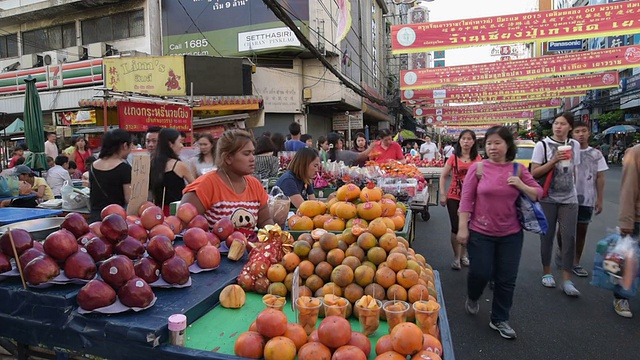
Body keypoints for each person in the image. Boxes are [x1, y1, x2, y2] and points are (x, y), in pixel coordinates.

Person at [458, 126, 542, 340]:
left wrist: (521, 184)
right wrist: (462, 227)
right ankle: (473, 296)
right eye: (489, 143)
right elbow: (466, 200)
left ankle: (499, 319)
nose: (492, 147)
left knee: (506, 279)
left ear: (507, 145)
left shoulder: (518, 169)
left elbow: (537, 193)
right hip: (480, 231)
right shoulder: (478, 168)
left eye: (497, 143)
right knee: (480, 272)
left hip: (511, 234)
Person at [181, 129, 274, 236]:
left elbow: (265, 221)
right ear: (228, 158)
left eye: (253, 153)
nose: (253, 158)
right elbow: (185, 226)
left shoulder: (255, 185)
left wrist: (273, 234)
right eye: (246, 154)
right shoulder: (205, 186)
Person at [531, 112, 582, 297]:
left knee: (569, 237)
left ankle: (567, 279)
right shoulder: (542, 145)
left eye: (562, 124)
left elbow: (573, 170)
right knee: (547, 235)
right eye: (556, 123)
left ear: (569, 127)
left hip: (570, 198)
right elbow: (534, 172)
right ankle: (547, 272)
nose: (558, 127)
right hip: (548, 198)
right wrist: (553, 160)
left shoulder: (574, 144)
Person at [556, 121, 608, 277]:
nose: (581, 134)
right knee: (563, 231)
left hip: (587, 199)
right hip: (566, 198)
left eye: (584, 131)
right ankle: (562, 252)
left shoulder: (596, 154)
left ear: (589, 133)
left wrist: (600, 199)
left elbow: (600, 177)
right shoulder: (566, 151)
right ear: (572, 134)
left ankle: (575, 262)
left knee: (581, 230)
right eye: (577, 131)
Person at [439, 130, 482, 270]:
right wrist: (443, 194)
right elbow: (443, 175)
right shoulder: (453, 158)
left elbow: (482, 178)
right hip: (454, 196)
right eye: (463, 139)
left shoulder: (478, 158)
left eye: (469, 139)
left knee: (468, 227)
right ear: (459, 141)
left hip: (471, 198)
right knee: (456, 227)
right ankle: (456, 257)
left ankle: (464, 255)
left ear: (473, 141)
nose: (466, 141)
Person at [611, 144, 640, 318]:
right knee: (629, 261)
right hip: (636, 218)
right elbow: (628, 189)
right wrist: (626, 221)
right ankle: (621, 297)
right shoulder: (636, 153)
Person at [88, 129, 132, 222]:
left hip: (96, 217)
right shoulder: (124, 168)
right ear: (124, 145)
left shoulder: (93, 166)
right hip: (116, 219)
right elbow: (129, 198)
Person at [150, 129, 195, 216]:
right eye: (180, 142)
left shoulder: (152, 164)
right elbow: (195, 186)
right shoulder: (179, 165)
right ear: (170, 144)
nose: (181, 146)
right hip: (177, 212)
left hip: (156, 213)